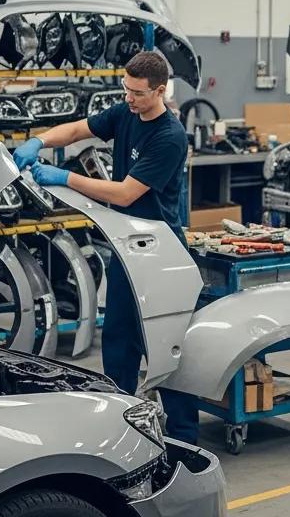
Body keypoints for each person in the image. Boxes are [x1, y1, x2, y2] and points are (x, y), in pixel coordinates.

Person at [12, 50, 199, 444]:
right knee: (117, 342)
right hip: (128, 246)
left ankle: (185, 439)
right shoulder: (126, 113)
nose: (128, 98)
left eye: (137, 93)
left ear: (160, 91)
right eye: (125, 89)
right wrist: (39, 140)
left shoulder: (169, 136)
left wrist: (65, 176)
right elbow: (79, 130)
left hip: (161, 252)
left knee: (167, 350)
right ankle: (123, 426)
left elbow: (127, 193)